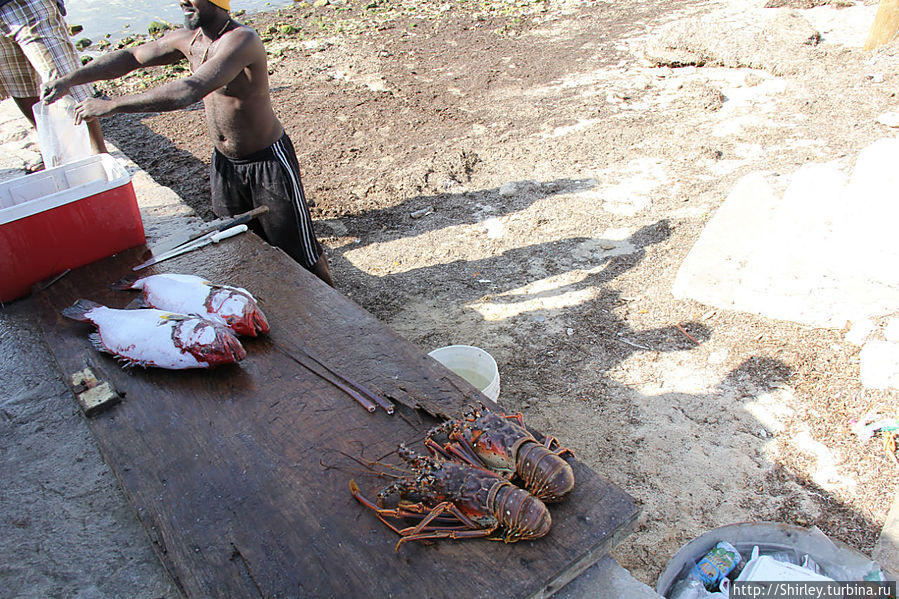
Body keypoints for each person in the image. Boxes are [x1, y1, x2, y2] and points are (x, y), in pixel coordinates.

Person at [42, 0, 333, 286]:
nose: (182, 1)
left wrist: (113, 104)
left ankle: (341, 318)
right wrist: (71, 78)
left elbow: (189, 90)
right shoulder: (188, 40)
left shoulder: (242, 39)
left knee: (300, 253)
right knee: (237, 239)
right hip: (224, 164)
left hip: (267, 162)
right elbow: (132, 57)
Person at [0, 0, 106, 160]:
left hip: (26, 4)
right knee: (19, 82)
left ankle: (98, 150)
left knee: (61, 72)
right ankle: (56, 150)